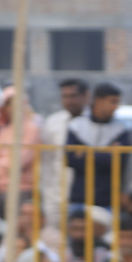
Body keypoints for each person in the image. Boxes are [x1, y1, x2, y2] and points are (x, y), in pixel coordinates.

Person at [66, 82, 132, 211]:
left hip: (108, 198)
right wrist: (106, 153)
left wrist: (85, 153)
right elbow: (71, 159)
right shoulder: (77, 126)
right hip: (80, 196)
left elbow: (118, 161)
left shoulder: (121, 129)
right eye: (112, 102)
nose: (116, 107)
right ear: (98, 100)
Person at [41, 78, 89, 229]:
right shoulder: (53, 122)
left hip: (85, 193)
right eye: (65, 96)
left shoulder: (94, 121)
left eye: (73, 96)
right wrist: (47, 190)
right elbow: (46, 161)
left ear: (85, 96)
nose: (69, 101)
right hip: (56, 193)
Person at [0, 87, 41, 210]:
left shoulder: (32, 129)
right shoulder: (4, 131)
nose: (13, 107)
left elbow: (20, 160)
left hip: (23, 190)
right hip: (1, 190)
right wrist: (5, 168)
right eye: (9, 104)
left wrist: (0, 162)